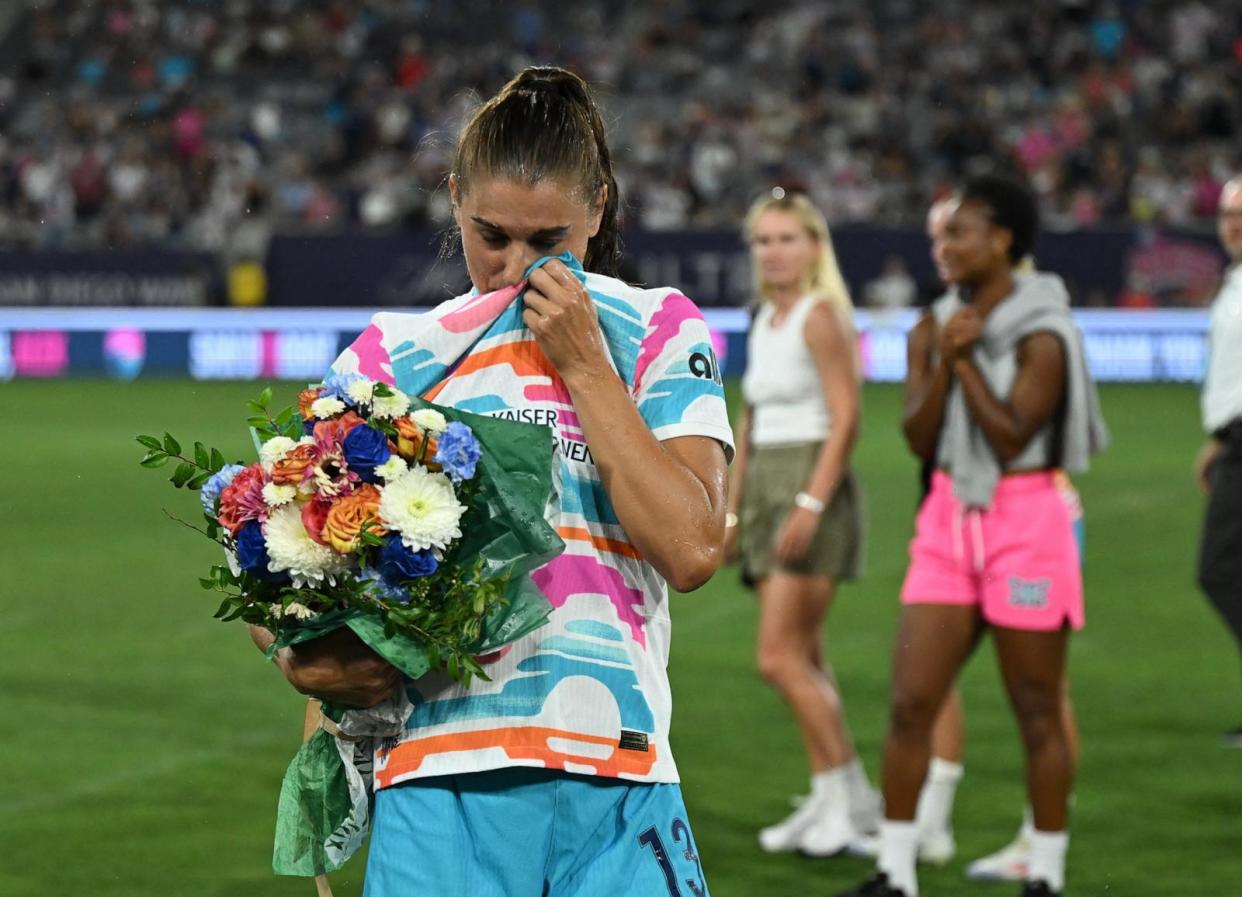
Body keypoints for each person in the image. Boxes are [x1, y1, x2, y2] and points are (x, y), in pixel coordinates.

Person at [248, 66, 734, 896]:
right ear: (453, 202)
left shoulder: (655, 328)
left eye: (550, 242)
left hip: (619, 772)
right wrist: (305, 655)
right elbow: (279, 560)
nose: (515, 273)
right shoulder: (391, 354)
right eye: (492, 235)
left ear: (600, 208)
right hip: (439, 781)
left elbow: (691, 548)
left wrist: (586, 366)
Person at [838, 175, 1107, 897]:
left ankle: (1045, 871)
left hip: (1027, 519)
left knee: (1037, 705)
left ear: (1004, 240)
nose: (945, 246)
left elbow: (1015, 431)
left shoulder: (1045, 330)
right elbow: (920, 434)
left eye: (962, 232)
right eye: (943, 233)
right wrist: (945, 358)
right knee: (910, 700)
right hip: (950, 517)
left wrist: (963, 363)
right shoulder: (935, 323)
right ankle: (895, 870)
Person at [724, 189, 878, 857]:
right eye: (764, 240)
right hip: (764, 484)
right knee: (808, 655)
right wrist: (730, 508)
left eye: (788, 238)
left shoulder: (821, 316)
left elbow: (847, 417)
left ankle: (846, 798)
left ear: (815, 246)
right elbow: (749, 419)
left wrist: (811, 504)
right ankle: (836, 795)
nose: (774, 251)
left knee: (778, 656)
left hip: (809, 482)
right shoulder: (767, 316)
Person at [1196, 175, 1242, 747]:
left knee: (1221, 569)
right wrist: (1219, 437)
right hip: (1235, 438)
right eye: (1229, 214)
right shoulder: (1233, 282)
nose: (1234, 223)